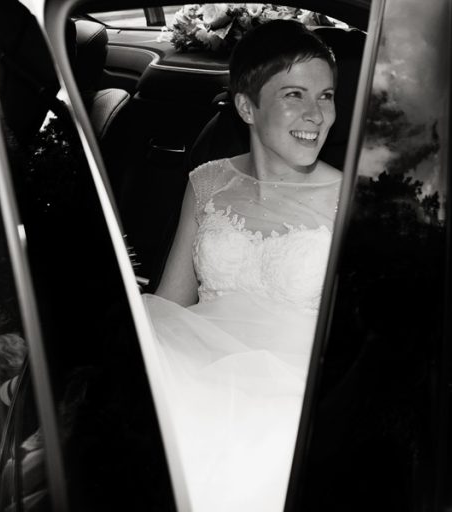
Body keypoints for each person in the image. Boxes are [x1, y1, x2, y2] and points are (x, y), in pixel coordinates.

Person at [143, 19, 341, 512]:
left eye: (327, 95)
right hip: (196, 375)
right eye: (295, 94)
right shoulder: (208, 182)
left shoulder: (352, 200)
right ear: (246, 106)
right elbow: (169, 305)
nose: (316, 114)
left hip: (297, 404)